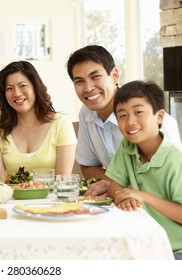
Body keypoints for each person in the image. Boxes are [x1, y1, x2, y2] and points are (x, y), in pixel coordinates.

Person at [66, 45, 181, 196]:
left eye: (95, 77)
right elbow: (87, 167)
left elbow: (172, 179)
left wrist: (116, 185)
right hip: (121, 201)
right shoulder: (86, 112)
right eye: (79, 81)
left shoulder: (154, 120)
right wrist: (114, 184)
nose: (88, 88)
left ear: (114, 75)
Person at [105, 80, 182, 260]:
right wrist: (122, 197)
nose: (130, 122)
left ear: (160, 116)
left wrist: (144, 196)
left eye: (138, 112)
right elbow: (114, 187)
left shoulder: (175, 160)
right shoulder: (127, 147)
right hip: (144, 245)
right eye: (122, 115)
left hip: (174, 250)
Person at [0, 60, 77, 178]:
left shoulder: (61, 123)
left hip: (53, 196)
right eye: (9, 88)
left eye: (22, 85)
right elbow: (1, 184)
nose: (17, 93)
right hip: (12, 196)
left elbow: (63, 180)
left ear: (35, 87)